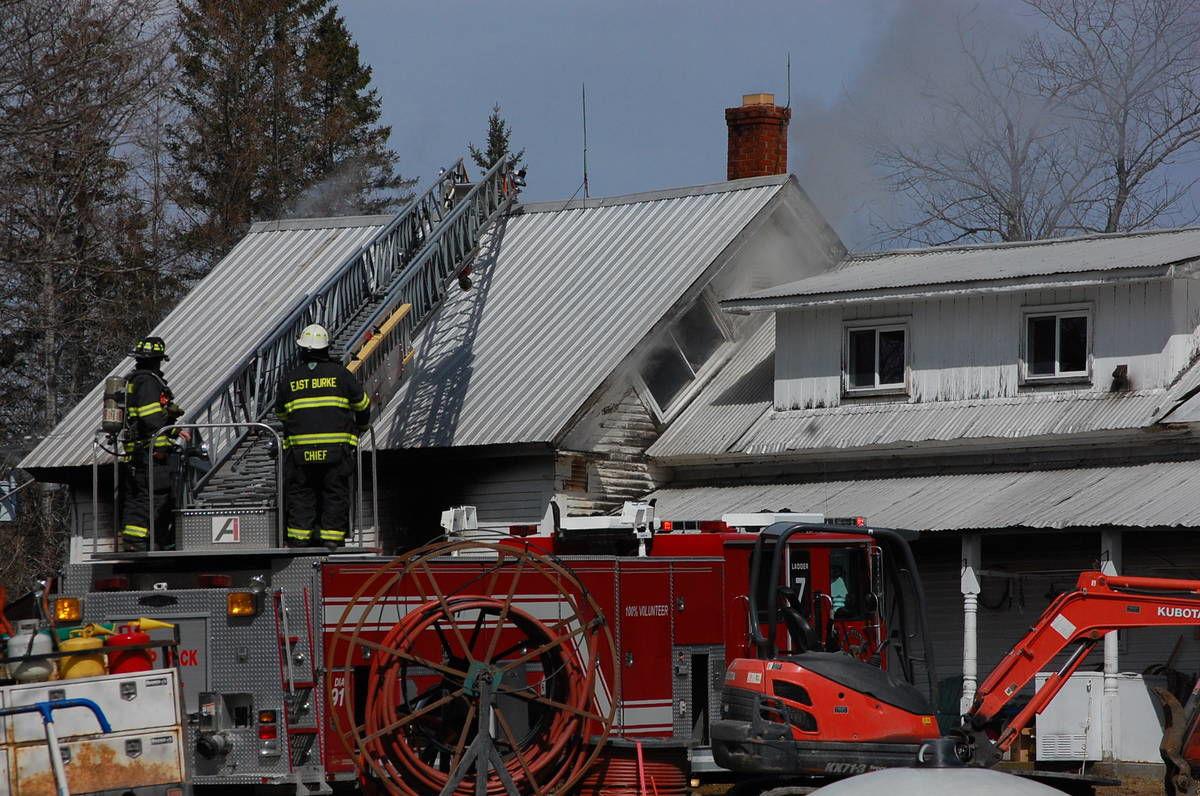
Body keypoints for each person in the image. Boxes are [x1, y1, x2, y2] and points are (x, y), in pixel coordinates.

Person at [275, 323, 370, 549]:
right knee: (334, 493)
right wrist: (362, 426)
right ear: (326, 348)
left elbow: (281, 414)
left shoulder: (290, 379)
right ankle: (331, 540)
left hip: (300, 455)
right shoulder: (341, 375)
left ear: (303, 350)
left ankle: (299, 539)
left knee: (300, 495)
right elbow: (363, 405)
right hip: (336, 453)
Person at [121, 336, 187, 551]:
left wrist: (169, 415)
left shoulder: (137, 380)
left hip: (140, 448)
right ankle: (137, 540)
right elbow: (149, 417)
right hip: (151, 448)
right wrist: (172, 424)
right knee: (152, 494)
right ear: (157, 360)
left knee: (143, 494)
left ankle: (142, 539)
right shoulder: (148, 382)